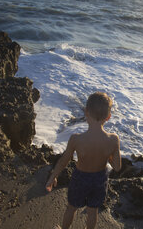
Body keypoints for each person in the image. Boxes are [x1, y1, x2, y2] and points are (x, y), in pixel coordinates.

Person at [46, 92, 122, 229]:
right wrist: (108, 154)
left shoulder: (76, 139)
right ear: (108, 117)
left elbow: (64, 161)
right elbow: (117, 167)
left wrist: (53, 177)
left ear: (86, 112)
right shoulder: (113, 139)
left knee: (71, 208)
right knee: (93, 211)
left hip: (80, 178)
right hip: (99, 180)